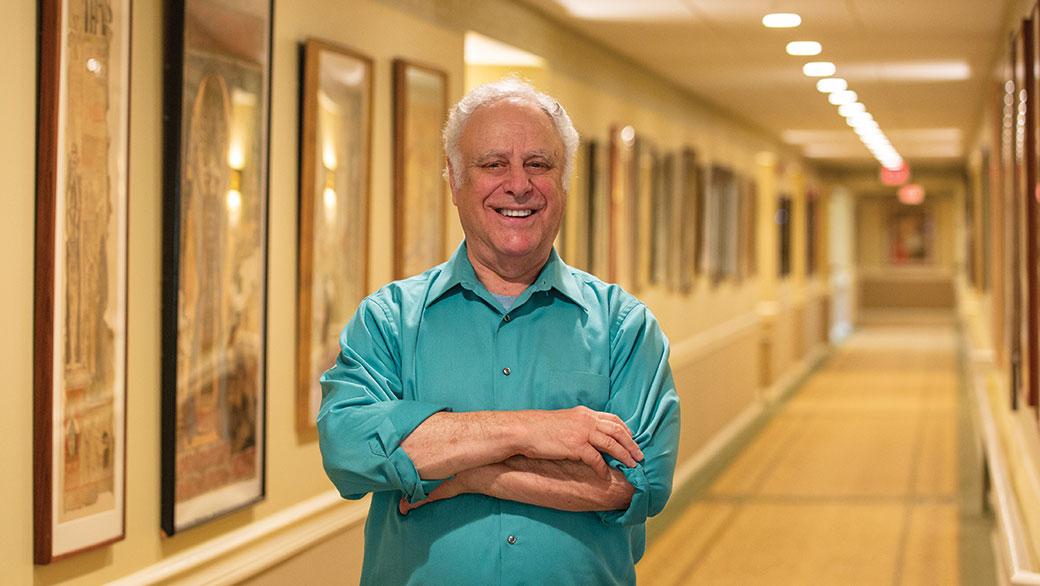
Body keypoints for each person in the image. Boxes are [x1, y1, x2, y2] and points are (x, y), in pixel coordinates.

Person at [317, 77, 681, 585]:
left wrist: (475, 474)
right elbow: (348, 447)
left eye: (539, 164)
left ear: (564, 181)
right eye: (493, 164)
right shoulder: (390, 319)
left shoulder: (624, 326)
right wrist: (531, 430)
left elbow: (640, 482)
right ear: (453, 179)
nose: (518, 184)